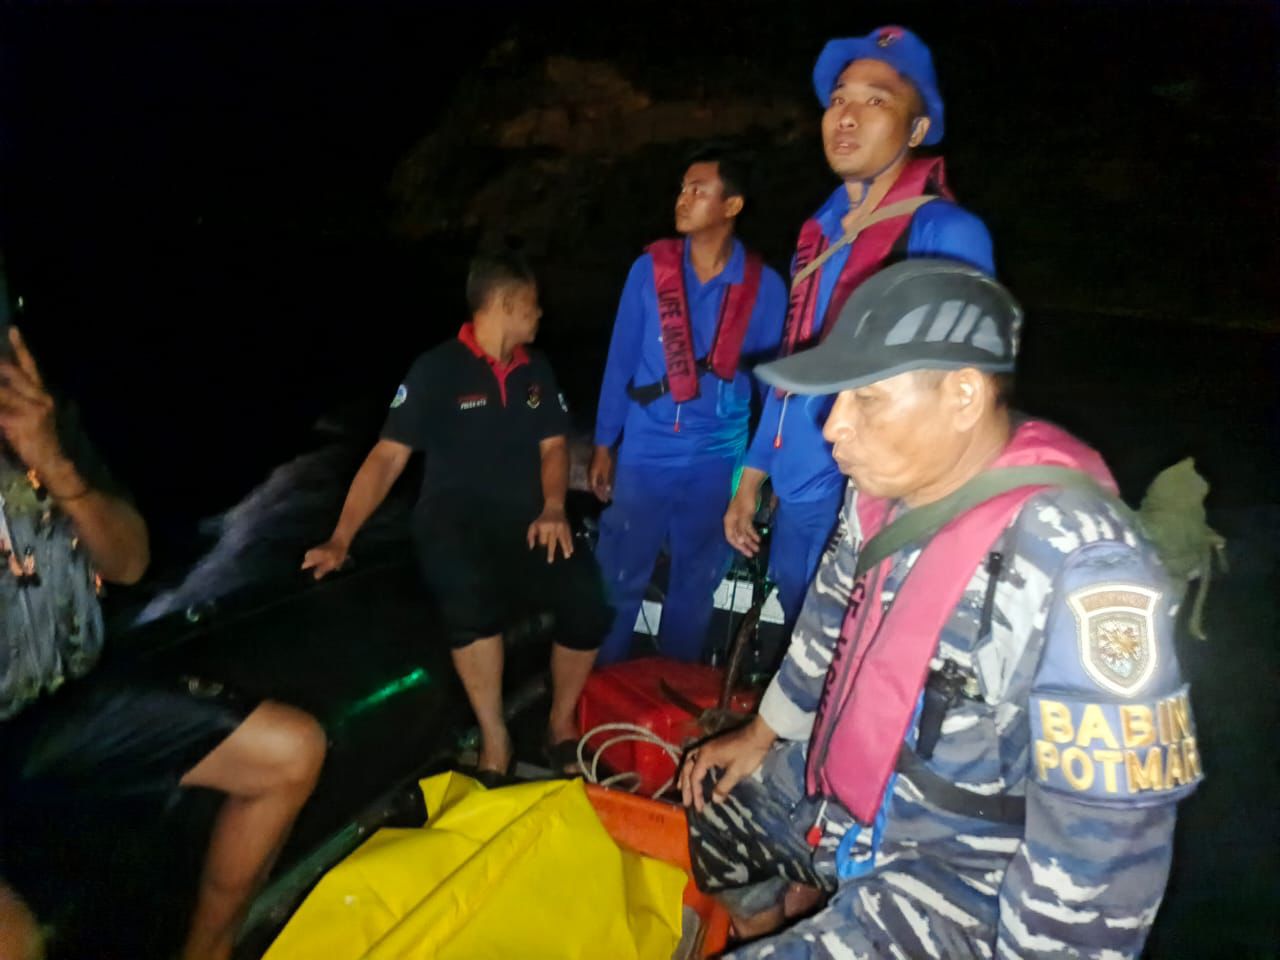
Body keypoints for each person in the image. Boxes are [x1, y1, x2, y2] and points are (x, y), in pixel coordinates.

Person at [680, 259, 1203, 958]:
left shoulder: (1081, 564)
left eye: (867, 398)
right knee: (710, 806)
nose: (833, 426)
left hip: (961, 876)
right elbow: (828, 617)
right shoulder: (877, 495)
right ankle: (773, 916)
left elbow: (1103, 848)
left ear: (963, 396)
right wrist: (762, 734)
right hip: (847, 798)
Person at [0, 326, 326, 960]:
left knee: (291, 751)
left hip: (68, 699)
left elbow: (129, 561)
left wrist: (53, 462)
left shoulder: (39, 414)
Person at [724, 27, 996, 666]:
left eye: (877, 101)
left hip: (869, 500)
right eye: (839, 98)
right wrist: (751, 475)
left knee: (860, 660)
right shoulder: (818, 236)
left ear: (917, 129)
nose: (846, 115)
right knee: (800, 648)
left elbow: (965, 405)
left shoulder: (944, 234)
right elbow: (792, 363)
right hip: (797, 495)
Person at [304, 251, 611, 777]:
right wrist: (341, 537)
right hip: (453, 521)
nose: (540, 314)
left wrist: (554, 507)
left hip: (529, 520)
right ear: (507, 305)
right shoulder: (437, 370)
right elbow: (387, 458)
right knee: (469, 602)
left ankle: (559, 723)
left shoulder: (536, 369)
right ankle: (495, 738)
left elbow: (554, 448)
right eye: (533, 305)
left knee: (588, 602)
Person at [589, 146, 787, 664]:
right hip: (645, 449)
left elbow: (773, 389)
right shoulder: (648, 271)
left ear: (732, 206)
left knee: (696, 585)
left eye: (698, 190)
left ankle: (671, 687)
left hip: (717, 458)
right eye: (682, 188)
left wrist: (766, 470)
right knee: (620, 576)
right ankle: (601, 686)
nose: (682, 199)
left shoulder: (763, 287)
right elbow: (621, 359)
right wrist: (605, 442)